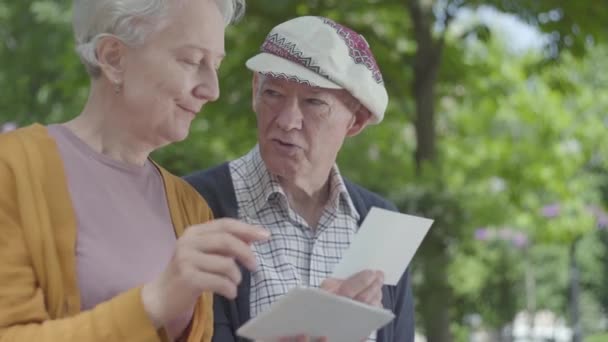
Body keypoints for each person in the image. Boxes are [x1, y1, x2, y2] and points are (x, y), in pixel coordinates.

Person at [0, 1, 270, 341]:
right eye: (191, 61)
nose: (211, 90)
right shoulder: (13, 168)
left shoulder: (189, 206)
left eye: (215, 65)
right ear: (114, 57)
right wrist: (153, 302)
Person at [185, 16, 415, 342]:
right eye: (274, 94)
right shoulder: (196, 203)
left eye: (313, 102)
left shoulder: (382, 225)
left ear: (356, 120)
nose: (287, 120)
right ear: (255, 90)